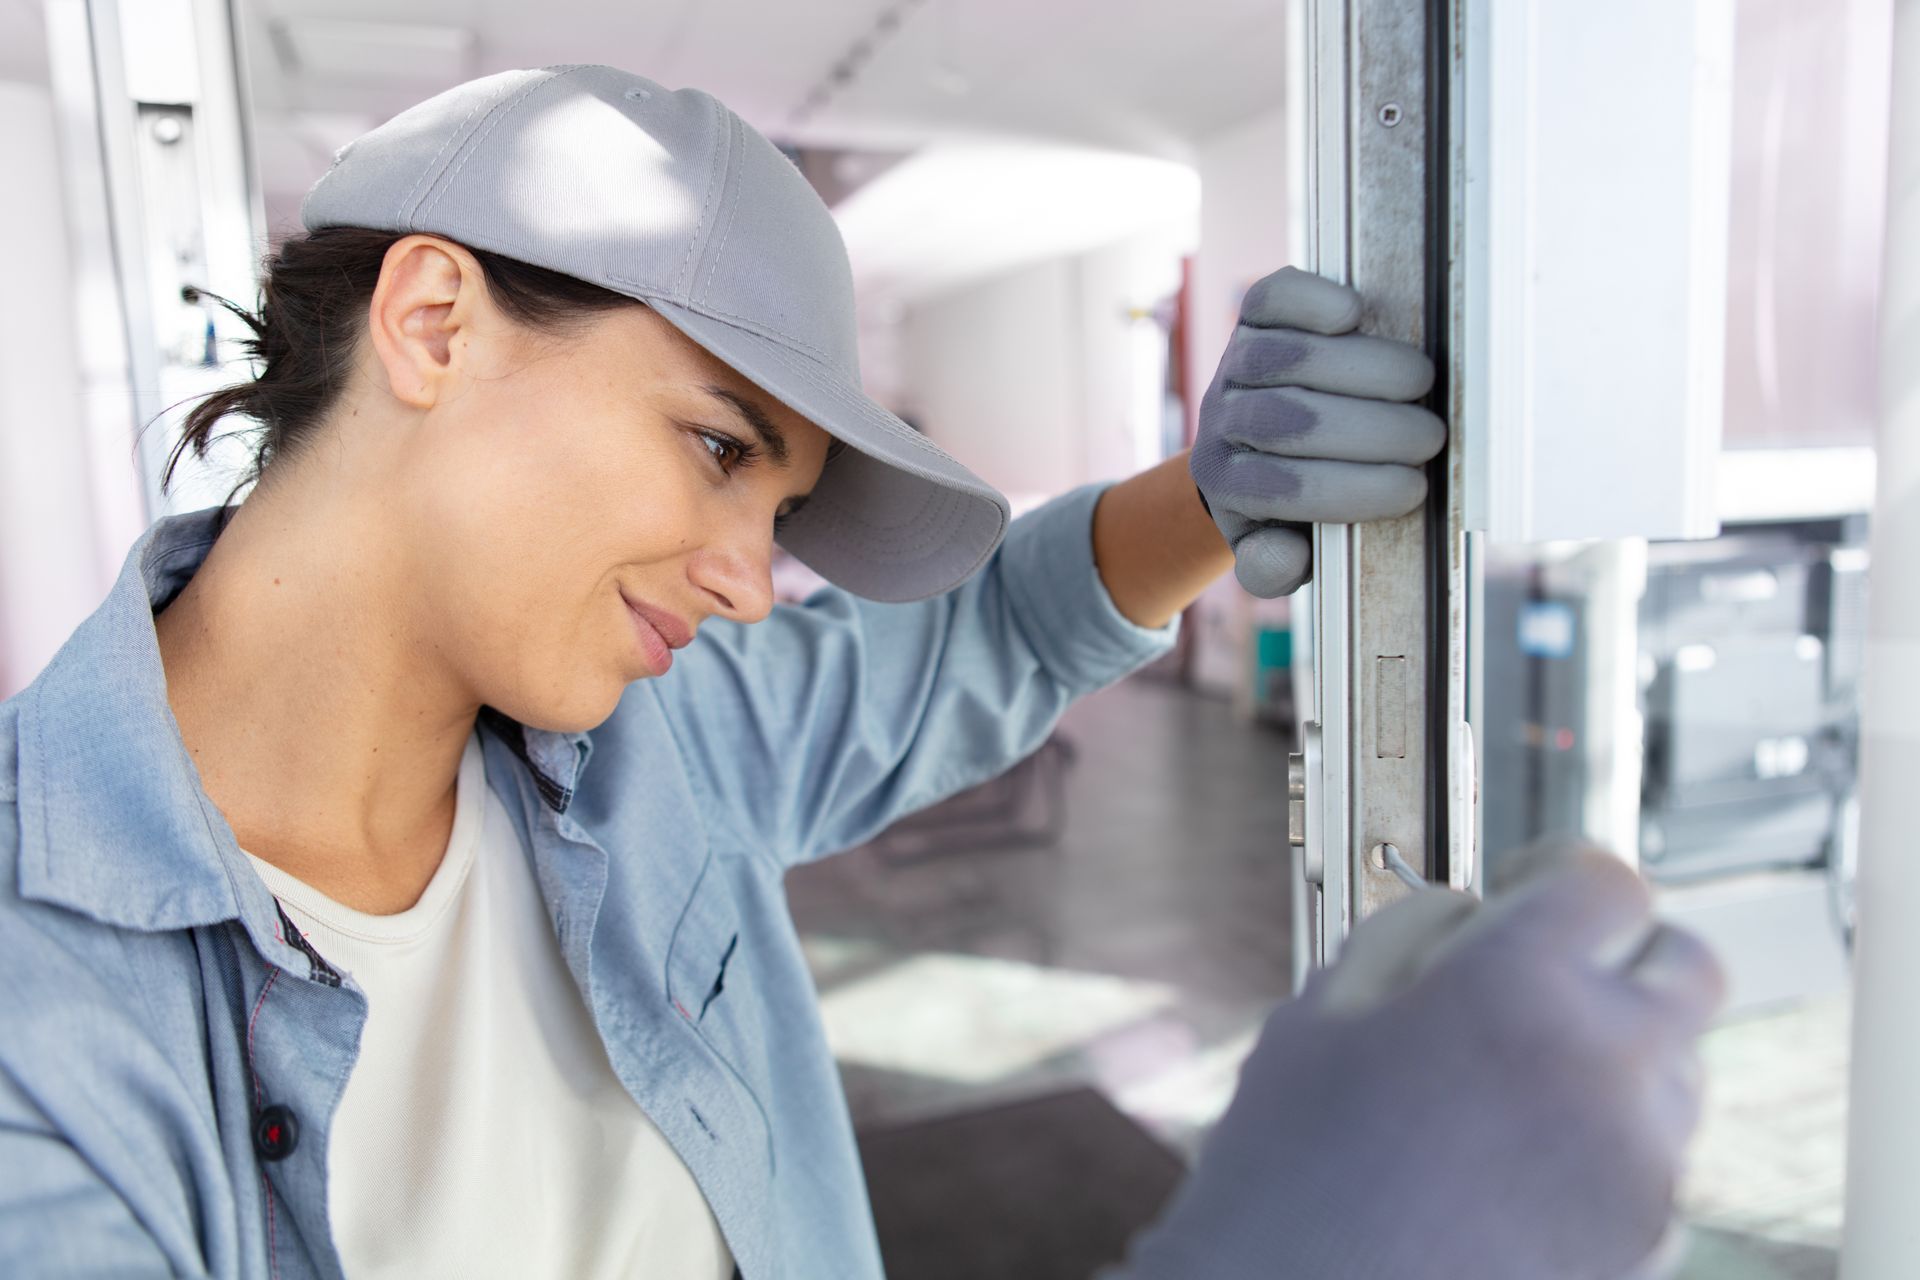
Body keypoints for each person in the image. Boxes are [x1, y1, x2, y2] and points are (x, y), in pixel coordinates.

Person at [0, 64, 1717, 1279]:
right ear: (434, 323)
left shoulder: (640, 749)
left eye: (783, 505)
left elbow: (998, 629)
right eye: (718, 446)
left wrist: (1221, 488)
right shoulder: (37, 1007)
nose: (753, 587)